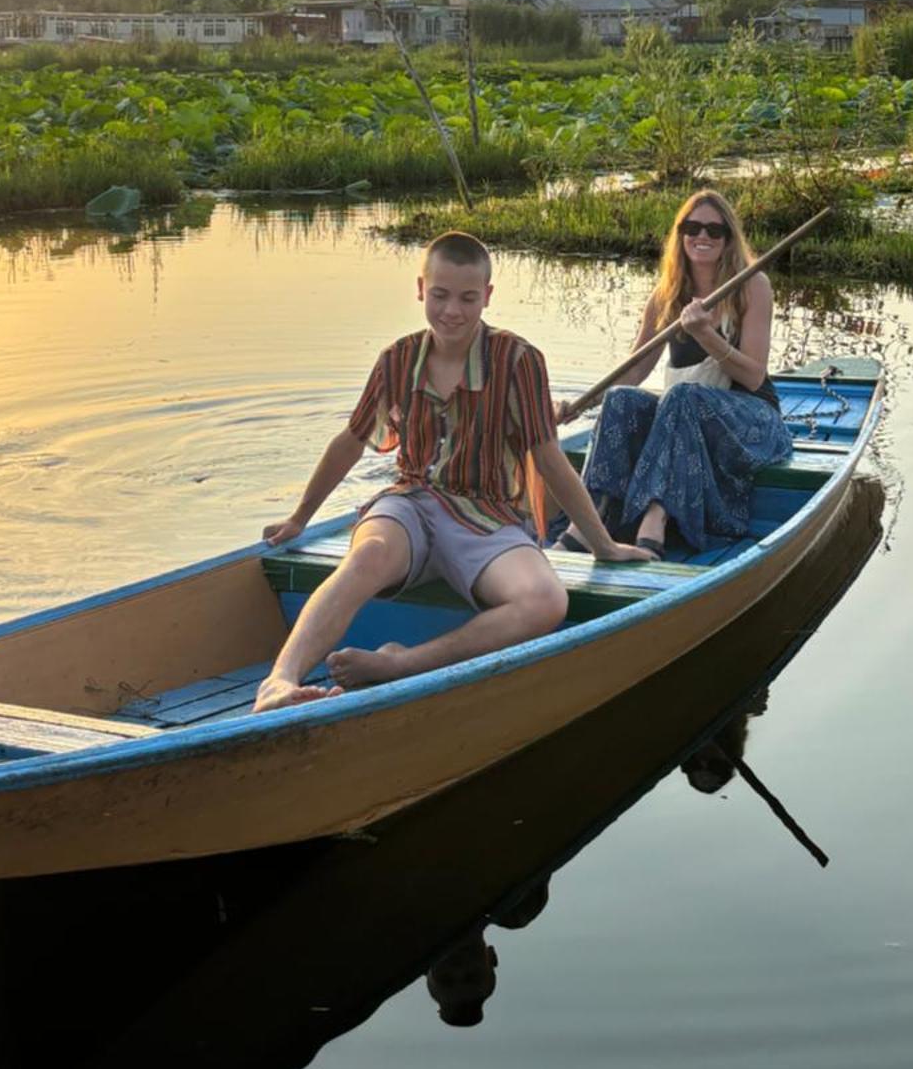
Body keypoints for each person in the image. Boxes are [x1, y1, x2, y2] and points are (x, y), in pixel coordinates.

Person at [253, 231, 650, 713]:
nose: (452, 311)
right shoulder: (397, 360)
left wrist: (602, 543)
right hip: (411, 505)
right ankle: (278, 680)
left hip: (490, 517)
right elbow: (351, 442)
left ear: (487, 296)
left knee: (546, 601)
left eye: (467, 298)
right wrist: (300, 518)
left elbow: (549, 459)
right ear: (421, 289)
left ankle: (404, 664)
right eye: (440, 295)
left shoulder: (518, 360)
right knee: (367, 556)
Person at [564, 188, 791, 557]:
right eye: (692, 227)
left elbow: (753, 376)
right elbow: (635, 369)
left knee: (683, 397)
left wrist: (706, 335)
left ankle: (657, 517)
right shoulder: (666, 295)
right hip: (689, 414)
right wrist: (582, 405)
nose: (702, 237)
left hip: (750, 421)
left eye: (714, 231)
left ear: (728, 239)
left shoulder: (752, 287)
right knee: (621, 399)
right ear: (680, 234)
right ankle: (591, 517)